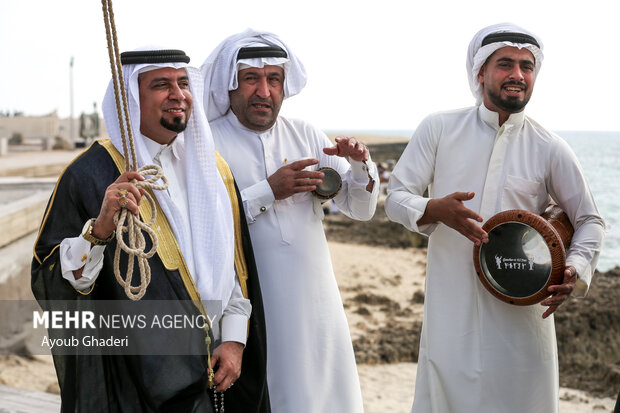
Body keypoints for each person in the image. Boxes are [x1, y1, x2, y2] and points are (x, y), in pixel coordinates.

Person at [31, 49, 270, 413]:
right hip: (135, 381)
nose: (178, 94)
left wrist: (235, 339)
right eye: (161, 84)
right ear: (130, 98)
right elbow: (56, 280)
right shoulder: (90, 175)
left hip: (216, 374)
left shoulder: (213, 169)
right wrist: (98, 231)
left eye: (184, 83)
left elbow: (233, 269)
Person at [385, 23, 605, 413]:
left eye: (526, 66)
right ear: (480, 72)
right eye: (506, 64)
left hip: (522, 322)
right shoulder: (439, 128)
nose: (518, 75)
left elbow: (589, 219)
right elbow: (396, 197)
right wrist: (433, 209)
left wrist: (574, 269)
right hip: (450, 316)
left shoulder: (550, 147)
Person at [201, 30, 379, 412]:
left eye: (274, 79)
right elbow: (202, 223)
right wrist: (268, 191)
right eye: (251, 79)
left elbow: (360, 208)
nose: (264, 90)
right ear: (230, 85)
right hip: (251, 305)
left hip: (315, 300)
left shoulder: (307, 134)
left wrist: (362, 165)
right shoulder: (207, 144)